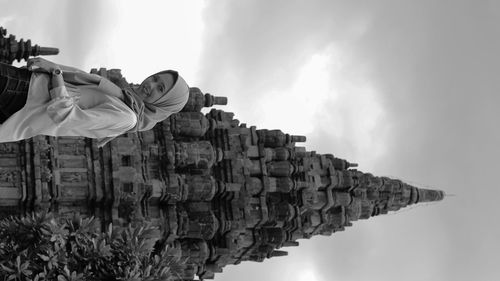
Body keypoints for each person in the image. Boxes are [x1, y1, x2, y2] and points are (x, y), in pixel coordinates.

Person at [0, 57, 189, 147]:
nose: (151, 84)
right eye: (155, 78)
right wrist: (54, 68)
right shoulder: (123, 97)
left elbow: (66, 116)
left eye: (160, 89)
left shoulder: (127, 117)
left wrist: (56, 73)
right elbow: (82, 78)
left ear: (164, 104)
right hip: (27, 88)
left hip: (24, 96)